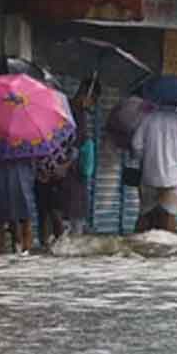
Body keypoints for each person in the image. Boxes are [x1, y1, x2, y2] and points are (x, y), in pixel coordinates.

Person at [132, 106, 177, 233]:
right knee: (168, 217)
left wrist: (144, 158)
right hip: (172, 179)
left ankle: (137, 246)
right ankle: (167, 250)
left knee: (145, 215)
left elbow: (136, 145)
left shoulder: (148, 119)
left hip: (149, 177)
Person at [62, 77, 100, 236]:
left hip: (65, 174)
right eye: (94, 100)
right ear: (87, 95)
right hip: (72, 174)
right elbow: (76, 143)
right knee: (73, 222)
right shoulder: (76, 114)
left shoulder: (66, 108)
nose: (94, 105)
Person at [0, 155, 35, 254]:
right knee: (23, 218)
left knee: (1, 221)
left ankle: (2, 252)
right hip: (18, 182)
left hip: (1, 183)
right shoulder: (26, 144)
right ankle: (23, 250)